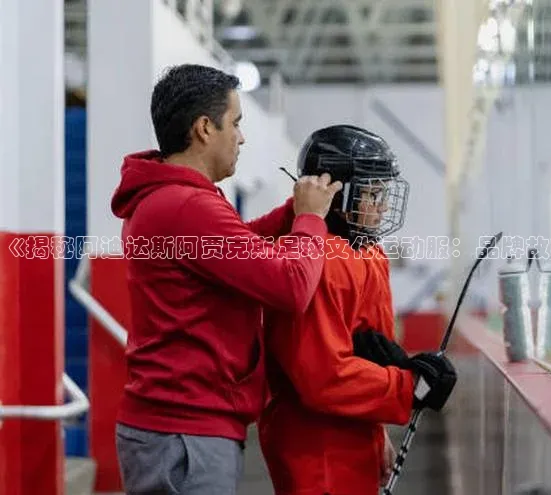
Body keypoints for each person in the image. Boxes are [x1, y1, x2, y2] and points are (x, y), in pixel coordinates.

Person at [109, 63, 342, 494]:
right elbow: (291, 287)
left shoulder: (167, 199)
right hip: (185, 436)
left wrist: (291, 212)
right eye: (235, 123)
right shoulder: (187, 207)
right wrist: (310, 220)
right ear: (204, 128)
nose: (242, 136)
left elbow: (233, 248)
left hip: (176, 430)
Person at [257, 124, 458, 495]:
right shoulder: (318, 260)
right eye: (373, 193)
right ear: (337, 195)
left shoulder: (369, 254)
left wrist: (377, 428)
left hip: (354, 437)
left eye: (385, 192)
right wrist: (406, 387)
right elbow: (322, 378)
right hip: (317, 449)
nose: (383, 206)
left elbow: (367, 352)